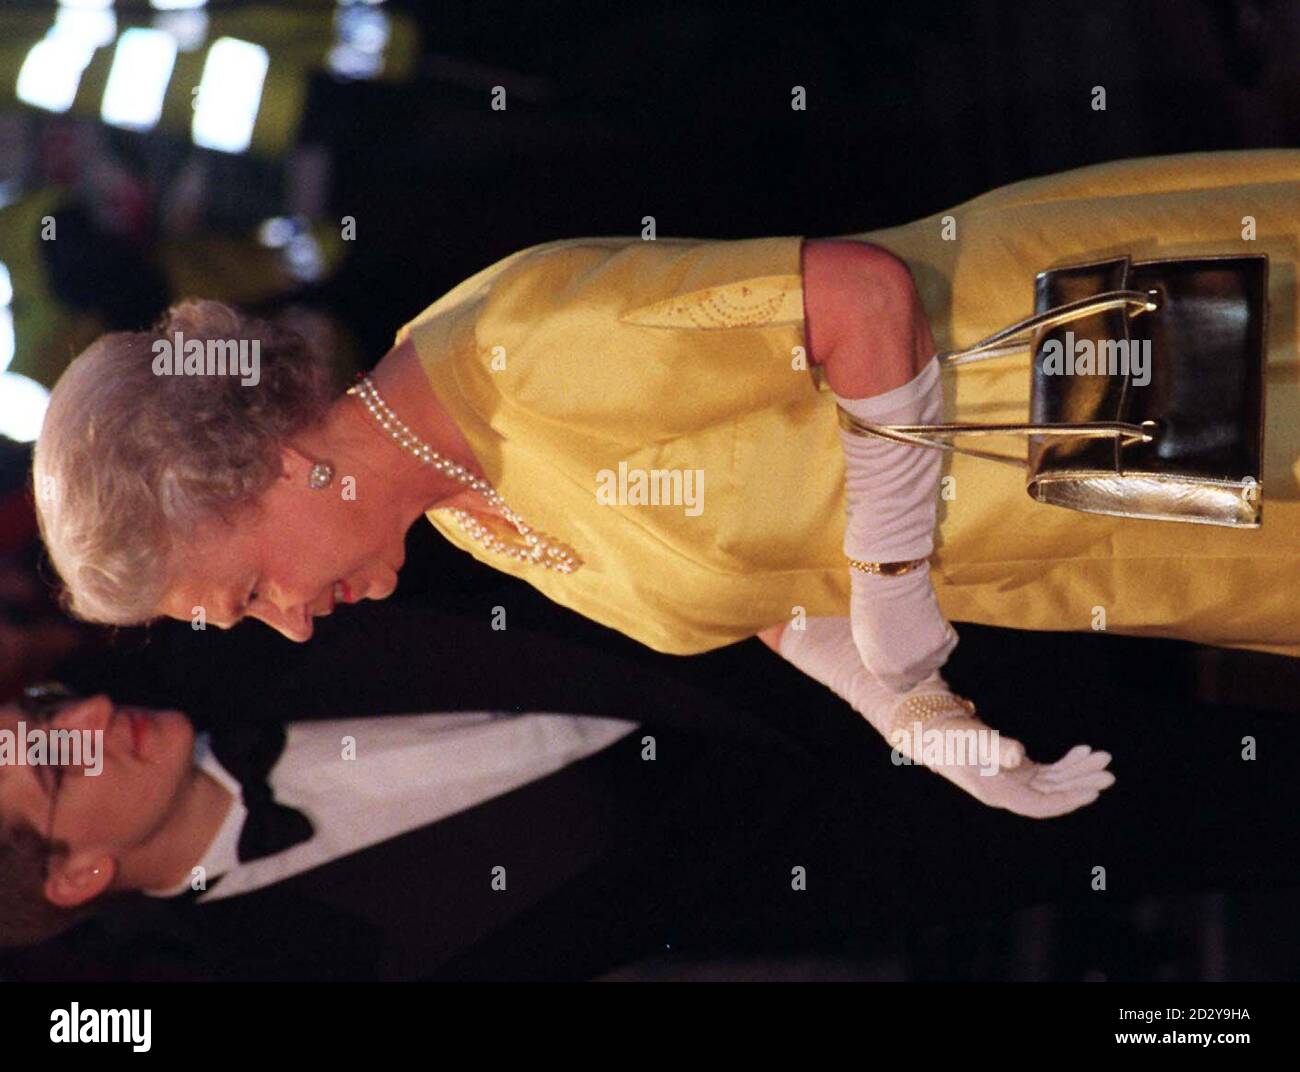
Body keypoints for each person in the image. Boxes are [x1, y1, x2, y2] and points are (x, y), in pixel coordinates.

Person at [34, 151, 1300, 815]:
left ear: (267, 458)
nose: (292, 619)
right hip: (1094, 523)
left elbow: (859, 297)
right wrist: (914, 717)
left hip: (1089, 368)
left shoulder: (517, 355)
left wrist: (895, 581)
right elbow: (760, 587)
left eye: (250, 584)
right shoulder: (468, 512)